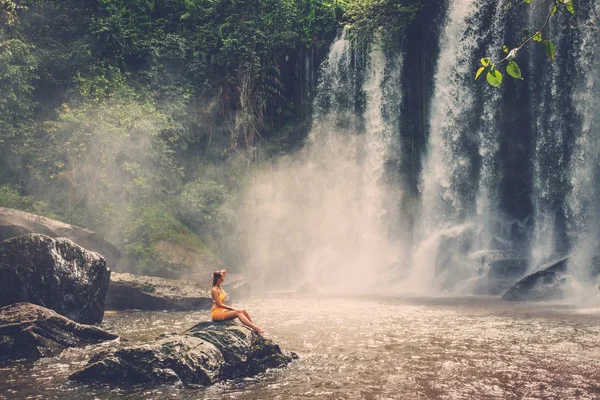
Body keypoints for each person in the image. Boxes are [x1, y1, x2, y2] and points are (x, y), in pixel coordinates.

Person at [211, 269, 263, 334]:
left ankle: (254, 328)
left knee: (243, 311)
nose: (223, 279)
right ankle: (255, 328)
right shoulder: (214, 290)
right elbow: (219, 304)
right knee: (238, 312)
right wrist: (234, 308)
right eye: (221, 278)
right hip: (217, 313)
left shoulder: (219, 287)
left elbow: (224, 271)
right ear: (218, 279)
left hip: (222, 311)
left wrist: (217, 273)